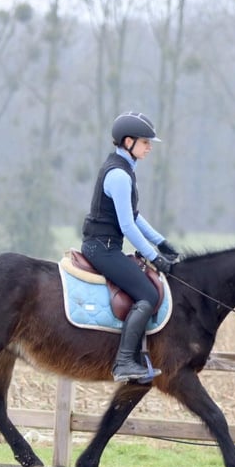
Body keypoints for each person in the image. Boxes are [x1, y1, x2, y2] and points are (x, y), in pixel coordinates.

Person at [81, 111, 180, 382]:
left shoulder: (124, 170)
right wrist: (154, 258)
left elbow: (134, 216)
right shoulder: (119, 176)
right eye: (145, 142)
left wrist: (162, 242)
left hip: (105, 245)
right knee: (148, 294)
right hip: (102, 248)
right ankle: (124, 362)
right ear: (128, 142)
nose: (149, 147)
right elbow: (127, 226)